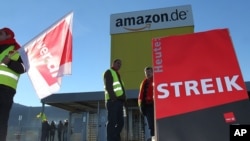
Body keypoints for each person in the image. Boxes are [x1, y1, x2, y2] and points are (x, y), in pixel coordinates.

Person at [0, 27, 25, 141]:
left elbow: (24, 68)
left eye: (1, 33)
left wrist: (9, 62)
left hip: (6, 89)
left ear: (9, 35)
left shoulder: (16, 50)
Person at [103, 59, 126, 141]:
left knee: (121, 123)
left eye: (120, 64)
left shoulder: (118, 75)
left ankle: (115, 138)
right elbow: (108, 86)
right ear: (113, 63)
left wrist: (123, 101)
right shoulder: (109, 72)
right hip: (113, 101)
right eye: (118, 63)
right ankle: (111, 139)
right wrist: (113, 99)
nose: (119, 65)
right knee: (112, 122)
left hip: (119, 102)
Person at [138, 66, 155, 139]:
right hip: (147, 107)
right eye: (146, 73)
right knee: (151, 125)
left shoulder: (156, 80)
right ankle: (154, 138)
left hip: (156, 106)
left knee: (157, 123)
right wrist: (141, 106)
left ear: (152, 72)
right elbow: (140, 96)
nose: (147, 74)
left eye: (149, 72)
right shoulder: (143, 83)